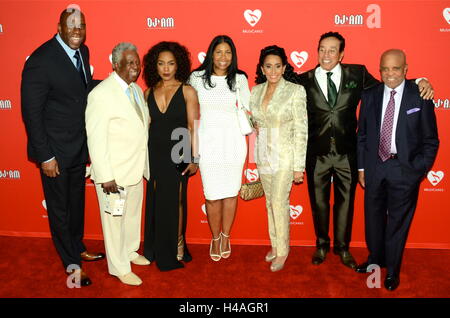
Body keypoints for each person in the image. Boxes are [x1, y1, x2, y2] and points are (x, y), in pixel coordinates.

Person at [293, 31, 434, 269]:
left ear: (341, 54)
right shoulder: (303, 79)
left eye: (332, 50)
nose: (326, 54)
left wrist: (419, 80)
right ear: (317, 51)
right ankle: (321, 245)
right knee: (319, 203)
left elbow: (390, 85)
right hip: (316, 153)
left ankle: (343, 247)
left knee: (346, 204)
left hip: (348, 153)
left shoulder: (357, 74)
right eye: (322, 49)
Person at [21, 7, 104, 287]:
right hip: (54, 151)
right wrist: (45, 155)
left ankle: (77, 247)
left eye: (81, 26)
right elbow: (31, 113)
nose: (77, 31)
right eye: (71, 26)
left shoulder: (83, 51)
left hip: (79, 146)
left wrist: (116, 84)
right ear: (59, 27)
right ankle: (72, 266)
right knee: (59, 209)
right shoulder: (41, 60)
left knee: (76, 205)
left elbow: (81, 88)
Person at [356, 49, 439, 291]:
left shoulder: (419, 95)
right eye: (385, 68)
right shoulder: (369, 95)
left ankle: (392, 269)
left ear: (405, 69)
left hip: (405, 170)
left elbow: (431, 140)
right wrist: (362, 167)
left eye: (395, 68)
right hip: (374, 167)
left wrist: (419, 169)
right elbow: (361, 135)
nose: (390, 73)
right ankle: (375, 260)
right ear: (379, 70)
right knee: (373, 220)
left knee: (397, 224)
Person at [85, 42, 150, 286]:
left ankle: (131, 251)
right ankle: (119, 267)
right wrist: (105, 176)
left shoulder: (134, 89)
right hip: (114, 175)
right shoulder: (101, 94)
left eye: (137, 62)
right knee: (114, 221)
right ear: (115, 64)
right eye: (129, 62)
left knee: (132, 215)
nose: (135, 67)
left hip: (135, 169)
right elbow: (96, 138)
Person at [189, 35, 250, 261]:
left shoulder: (240, 79)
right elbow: (189, 112)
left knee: (231, 194)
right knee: (213, 195)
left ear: (232, 56)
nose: (223, 57)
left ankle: (226, 235)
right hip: (207, 144)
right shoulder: (196, 78)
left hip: (233, 143)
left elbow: (251, 108)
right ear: (211, 54)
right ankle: (215, 237)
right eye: (218, 52)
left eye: (228, 53)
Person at [142, 41, 199, 271]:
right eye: (161, 63)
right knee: (156, 200)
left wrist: (195, 158)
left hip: (179, 150)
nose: (166, 68)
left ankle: (178, 246)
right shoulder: (147, 92)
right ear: (154, 66)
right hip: (154, 151)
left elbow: (193, 126)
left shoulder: (187, 91)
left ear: (179, 65)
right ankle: (155, 246)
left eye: (171, 63)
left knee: (176, 199)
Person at [250, 45, 308, 272]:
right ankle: (275, 245)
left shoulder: (295, 91)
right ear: (262, 69)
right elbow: (255, 122)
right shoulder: (256, 91)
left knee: (278, 202)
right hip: (263, 154)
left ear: (284, 67)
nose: (273, 71)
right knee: (268, 203)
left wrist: (298, 166)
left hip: (285, 155)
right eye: (268, 66)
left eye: (277, 66)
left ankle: (283, 251)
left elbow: (302, 130)